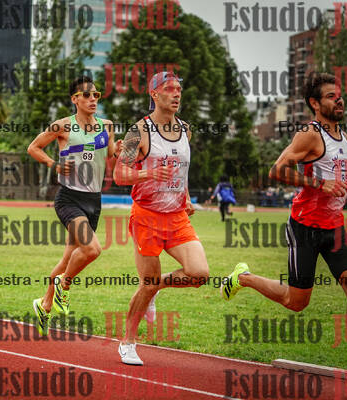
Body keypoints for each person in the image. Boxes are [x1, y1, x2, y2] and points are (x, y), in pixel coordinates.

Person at [220, 72, 347, 391]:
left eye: (340, 95)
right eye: (331, 96)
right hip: (305, 227)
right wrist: (319, 183)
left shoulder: (344, 137)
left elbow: (333, 178)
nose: (340, 100)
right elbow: (277, 170)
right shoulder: (309, 134)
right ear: (315, 104)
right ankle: (243, 278)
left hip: (334, 227)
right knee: (296, 301)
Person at [113, 71, 209, 365]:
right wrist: (150, 173)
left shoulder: (186, 130)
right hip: (147, 216)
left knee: (199, 274)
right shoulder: (139, 132)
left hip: (177, 216)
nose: (176, 94)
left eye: (179, 89)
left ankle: (157, 287)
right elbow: (119, 175)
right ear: (154, 94)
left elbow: (181, 170)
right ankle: (128, 342)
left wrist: (186, 196)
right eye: (169, 89)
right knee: (148, 283)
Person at [28, 76, 119, 336]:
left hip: (94, 200)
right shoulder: (63, 126)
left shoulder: (107, 126)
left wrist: (119, 150)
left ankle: (44, 304)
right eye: (87, 95)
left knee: (68, 258)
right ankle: (63, 285)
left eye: (96, 95)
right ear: (75, 99)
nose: (92, 99)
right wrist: (54, 164)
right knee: (92, 249)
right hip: (69, 198)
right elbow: (33, 148)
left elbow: (111, 155)